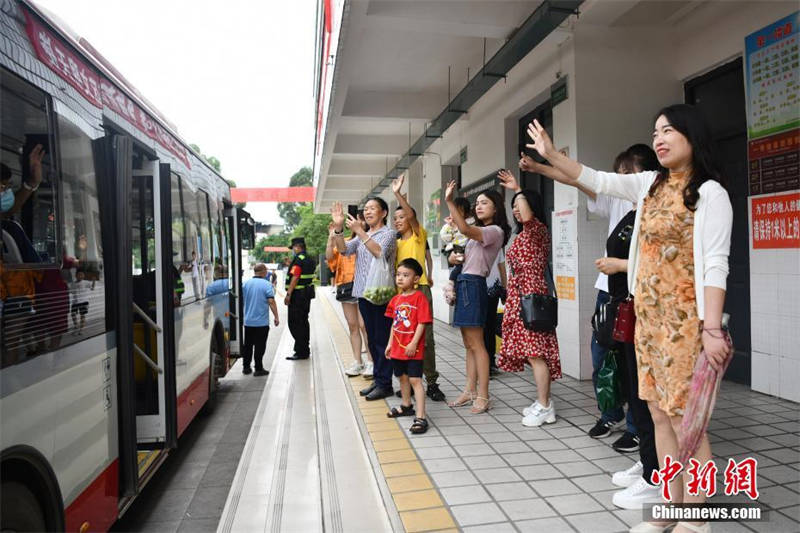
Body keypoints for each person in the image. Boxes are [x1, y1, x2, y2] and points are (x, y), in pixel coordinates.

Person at [526, 105, 733, 533]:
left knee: (685, 419)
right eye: (655, 131)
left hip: (687, 323)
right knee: (657, 415)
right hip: (648, 320)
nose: (659, 138)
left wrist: (711, 328)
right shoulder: (648, 185)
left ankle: (697, 519)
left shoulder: (710, 193)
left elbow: (716, 264)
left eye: (669, 130)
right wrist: (551, 154)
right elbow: (595, 178)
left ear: (693, 135)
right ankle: (672, 506)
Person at [524, 144, 667, 510]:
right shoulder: (632, 209)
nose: (620, 178)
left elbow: (662, 262)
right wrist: (544, 167)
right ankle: (649, 462)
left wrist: (622, 266)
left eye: (626, 172)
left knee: (652, 397)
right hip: (624, 305)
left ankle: (657, 471)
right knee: (624, 376)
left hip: (648, 312)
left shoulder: (659, 207)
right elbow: (585, 180)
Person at [495, 170, 561, 426]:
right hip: (521, 298)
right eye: (513, 207)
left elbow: (529, 216)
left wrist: (517, 188)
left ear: (531, 208)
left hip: (532, 299)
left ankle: (545, 406)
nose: (516, 210)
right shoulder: (521, 235)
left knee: (536, 354)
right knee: (532, 353)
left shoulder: (537, 231)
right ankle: (543, 401)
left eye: (520, 206)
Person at [444, 181, 509, 414]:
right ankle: (470, 390)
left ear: (496, 208)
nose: (479, 206)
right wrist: (454, 261)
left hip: (474, 285)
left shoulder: (494, 231)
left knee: (478, 345)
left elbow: (465, 229)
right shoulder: (479, 233)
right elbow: (464, 256)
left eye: (485, 203)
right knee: (468, 344)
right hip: (465, 284)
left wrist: (450, 202)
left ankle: (483, 395)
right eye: (478, 203)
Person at [331, 198, 396, 401]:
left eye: (372, 208)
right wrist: (340, 229)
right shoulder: (362, 235)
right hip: (362, 293)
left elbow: (378, 251)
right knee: (373, 339)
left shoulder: (389, 234)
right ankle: (378, 379)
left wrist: (360, 230)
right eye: (365, 209)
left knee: (382, 339)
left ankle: (385, 383)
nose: (367, 212)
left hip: (380, 294)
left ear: (383, 212)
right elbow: (343, 250)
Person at [392, 175, 445, 402]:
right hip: (400, 296)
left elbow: (412, 216)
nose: (398, 220)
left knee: (426, 338)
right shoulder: (395, 242)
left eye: (401, 216)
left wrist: (397, 194)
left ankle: (431, 382)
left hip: (419, 292)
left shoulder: (417, 235)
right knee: (403, 337)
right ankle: (411, 384)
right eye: (395, 218)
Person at [384, 258, 432, 434]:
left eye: (406, 275)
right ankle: (406, 405)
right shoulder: (396, 299)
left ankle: (421, 416)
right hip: (397, 348)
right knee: (402, 377)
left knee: (415, 380)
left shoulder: (420, 298)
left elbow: (422, 322)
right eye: (398, 275)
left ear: (416, 279)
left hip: (413, 348)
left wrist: (413, 343)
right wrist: (389, 344)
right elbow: (394, 324)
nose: (400, 278)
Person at [326, 222, 371, 377]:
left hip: (365, 285)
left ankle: (371, 362)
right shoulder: (343, 242)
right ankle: (358, 362)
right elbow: (330, 259)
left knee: (364, 325)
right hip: (346, 285)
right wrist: (330, 238)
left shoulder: (368, 240)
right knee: (353, 326)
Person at [241, 263, 279, 376]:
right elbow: (271, 301)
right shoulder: (267, 285)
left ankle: (246, 367)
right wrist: (276, 317)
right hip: (261, 322)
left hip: (248, 321)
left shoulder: (245, 284)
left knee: (247, 345)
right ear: (263, 271)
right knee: (260, 345)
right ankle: (258, 368)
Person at [284, 237, 316, 360]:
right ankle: (303, 349)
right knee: (303, 321)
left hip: (297, 295)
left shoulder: (298, 259)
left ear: (298, 247)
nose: (293, 251)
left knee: (295, 323)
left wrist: (288, 295)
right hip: (306, 294)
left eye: (293, 248)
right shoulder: (309, 258)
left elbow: (296, 276)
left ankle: (301, 351)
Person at [484, 248, 506, 375]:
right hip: (478, 288)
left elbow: (502, 268)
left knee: (489, 327)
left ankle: (490, 363)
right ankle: (485, 363)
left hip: (493, 290)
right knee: (484, 328)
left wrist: (504, 290)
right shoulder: (473, 243)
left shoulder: (496, 245)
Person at [70, 270, 93, 334]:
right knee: (73, 314)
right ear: (76, 275)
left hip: (83, 301)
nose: (80, 276)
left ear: (83, 276)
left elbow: (92, 288)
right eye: (79, 274)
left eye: (82, 274)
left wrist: (93, 281)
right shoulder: (73, 283)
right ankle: (76, 326)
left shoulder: (86, 282)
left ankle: (81, 329)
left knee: (82, 315)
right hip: (75, 302)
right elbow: (71, 292)